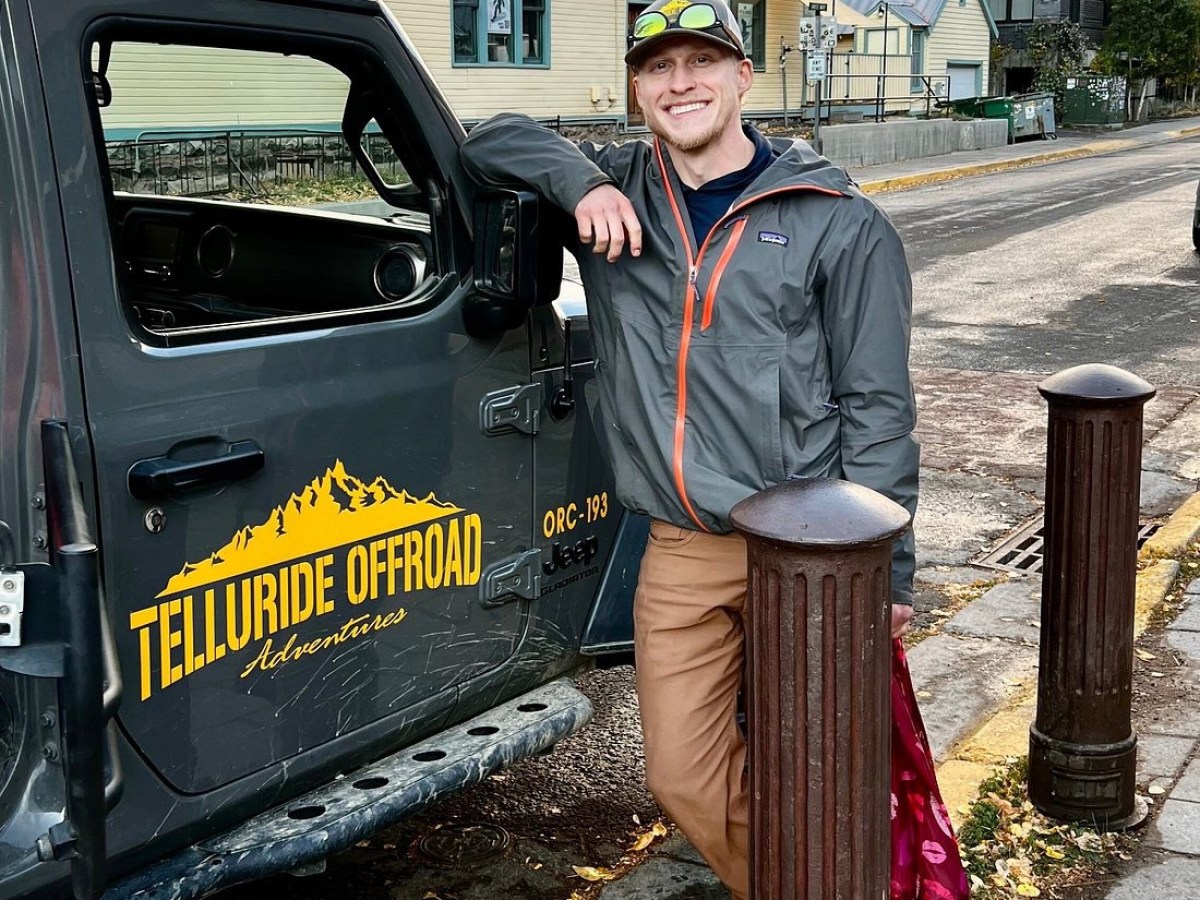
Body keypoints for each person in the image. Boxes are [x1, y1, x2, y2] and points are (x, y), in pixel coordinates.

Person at [462, 1, 918, 896]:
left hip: (809, 548)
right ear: (637, 90)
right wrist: (576, 184)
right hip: (678, 546)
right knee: (681, 774)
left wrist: (889, 567)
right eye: (658, 68)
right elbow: (487, 138)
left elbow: (879, 406)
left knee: (817, 763)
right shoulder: (616, 190)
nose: (681, 84)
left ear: (743, 77)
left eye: (701, 63)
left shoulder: (835, 217)